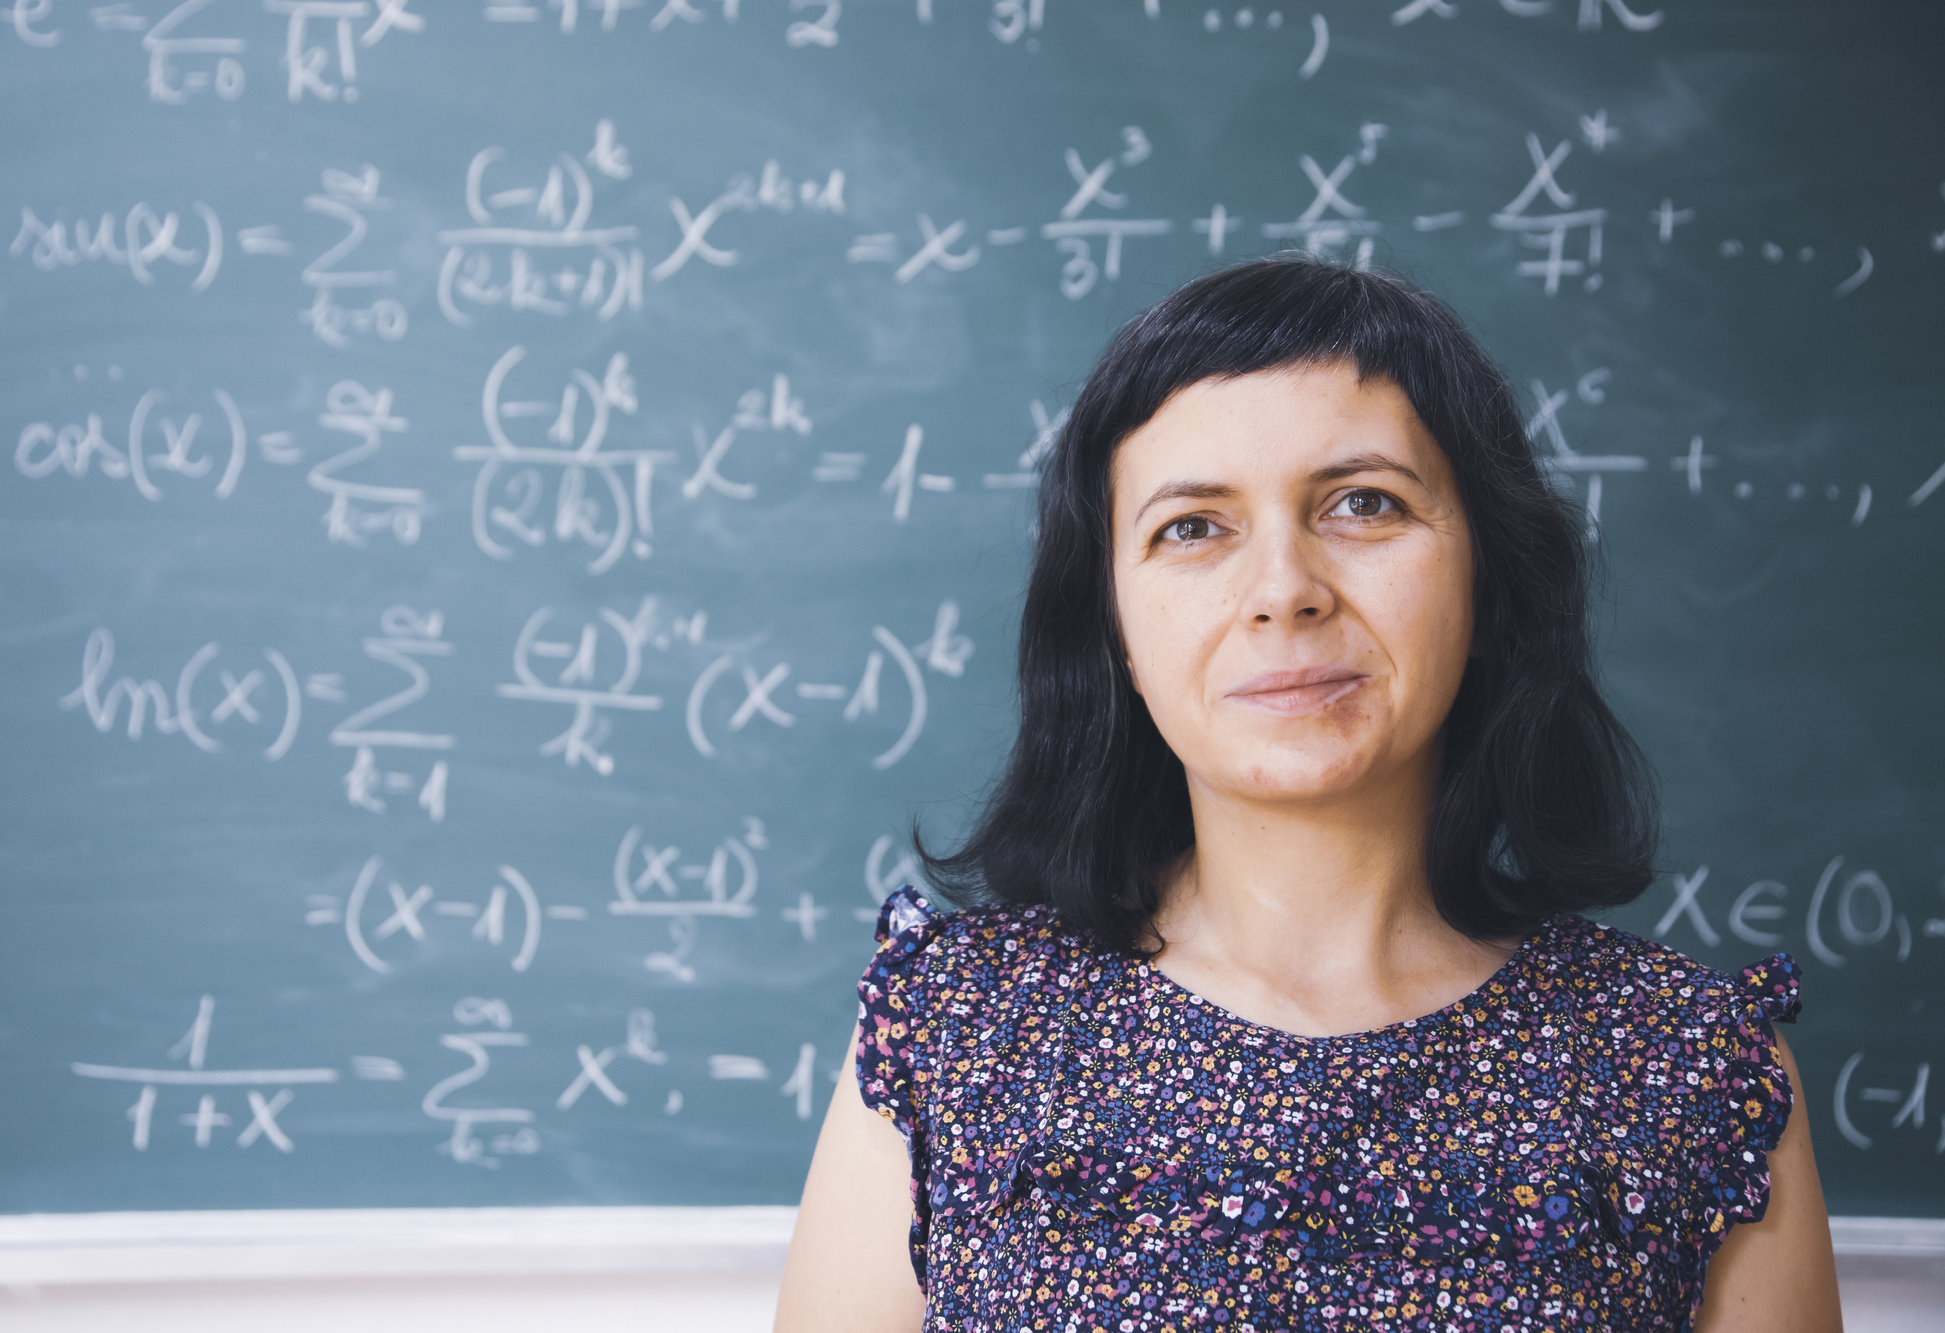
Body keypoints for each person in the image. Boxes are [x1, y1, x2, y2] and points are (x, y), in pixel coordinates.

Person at [774, 257, 1842, 1332]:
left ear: (1486, 578)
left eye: (1362, 503)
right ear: (1113, 634)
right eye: (1191, 526)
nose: (1283, 589)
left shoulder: (1686, 1069)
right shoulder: (955, 1030)